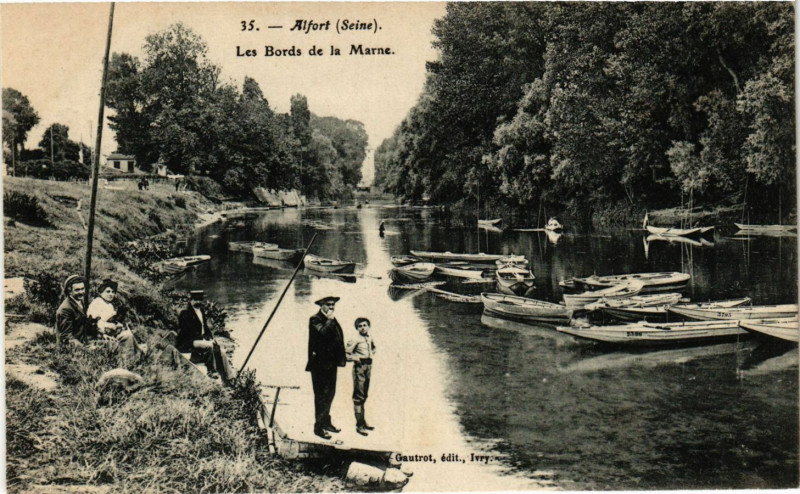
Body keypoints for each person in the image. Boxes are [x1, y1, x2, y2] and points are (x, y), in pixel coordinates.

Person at [305, 296, 346, 439]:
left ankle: (326, 422)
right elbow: (322, 334)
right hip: (319, 365)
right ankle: (318, 427)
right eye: (328, 305)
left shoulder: (331, 319)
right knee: (321, 395)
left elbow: (337, 339)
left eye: (333, 305)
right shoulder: (315, 319)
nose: (332, 307)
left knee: (330, 393)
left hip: (331, 364)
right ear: (321, 305)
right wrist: (329, 319)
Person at [176, 290, 234, 382]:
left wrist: (211, 338)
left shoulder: (201, 311)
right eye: (195, 300)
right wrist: (204, 340)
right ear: (190, 300)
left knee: (221, 351)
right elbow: (189, 331)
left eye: (200, 300)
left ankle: (229, 377)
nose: (198, 302)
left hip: (200, 339)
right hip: (189, 341)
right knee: (209, 346)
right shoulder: (185, 314)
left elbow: (205, 328)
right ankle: (211, 370)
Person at [86, 278, 148, 359]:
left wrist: (118, 324)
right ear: (101, 292)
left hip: (110, 331)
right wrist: (111, 326)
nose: (111, 294)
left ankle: (136, 355)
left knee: (128, 332)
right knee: (127, 335)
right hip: (100, 334)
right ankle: (129, 358)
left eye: (113, 292)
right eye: (108, 291)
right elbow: (95, 322)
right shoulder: (96, 303)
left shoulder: (109, 305)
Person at [346, 317, 376, 436]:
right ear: (357, 328)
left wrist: (371, 353)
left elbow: (373, 347)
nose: (363, 328)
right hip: (359, 367)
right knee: (358, 396)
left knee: (364, 395)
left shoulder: (369, 337)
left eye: (365, 325)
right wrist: (356, 358)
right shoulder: (355, 339)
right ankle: (359, 426)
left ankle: (363, 422)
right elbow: (347, 353)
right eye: (360, 326)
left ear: (368, 326)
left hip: (368, 367)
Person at [55, 275, 95, 345]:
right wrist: (85, 349)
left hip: (82, 341)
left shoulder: (80, 301)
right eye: (77, 290)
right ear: (69, 291)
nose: (81, 292)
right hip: (70, 349)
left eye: (82, 289)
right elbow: (67, 337)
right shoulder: (65, 309)